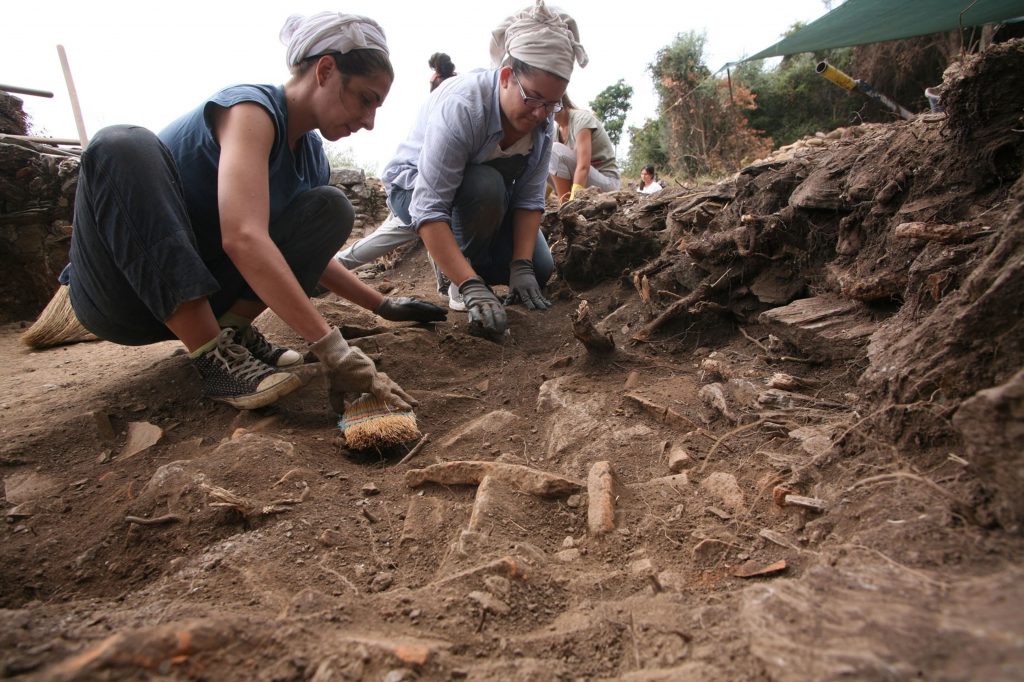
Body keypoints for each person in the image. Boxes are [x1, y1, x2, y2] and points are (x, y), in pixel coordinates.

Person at [59, 12, 445, 413]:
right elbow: (244, 238)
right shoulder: (250, 110)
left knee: (330, 207)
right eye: (366, 99)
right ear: (326, 70)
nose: (369, 121)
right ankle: (214, 356)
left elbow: (300, 254)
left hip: (208, 292)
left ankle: (231, 333)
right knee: (121, 142)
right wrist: (334, 350)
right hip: (123, 296)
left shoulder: (312, 159)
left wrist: (382, 307)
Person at [370, 1, 587, 341]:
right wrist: (471, 284)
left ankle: (463, 261)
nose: (541, 114)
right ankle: (457, 276)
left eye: (553, 103)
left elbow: (530, 199)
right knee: (484, 184)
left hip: (486, 201)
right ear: (505, 78)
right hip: (415, 192)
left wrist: (521, 266)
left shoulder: (541, 125)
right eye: (534, 99)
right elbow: (428, 207)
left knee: (541, 267)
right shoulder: (463, 106)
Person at [548, 94, 620, 201]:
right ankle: (563, 203)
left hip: (607, 182)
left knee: (555, 150)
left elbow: (583, 166)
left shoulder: (581, 119)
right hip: (583, 181)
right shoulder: (556, 131)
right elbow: (553, 168)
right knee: (541, 159)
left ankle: (566, 206)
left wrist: (572, 202)